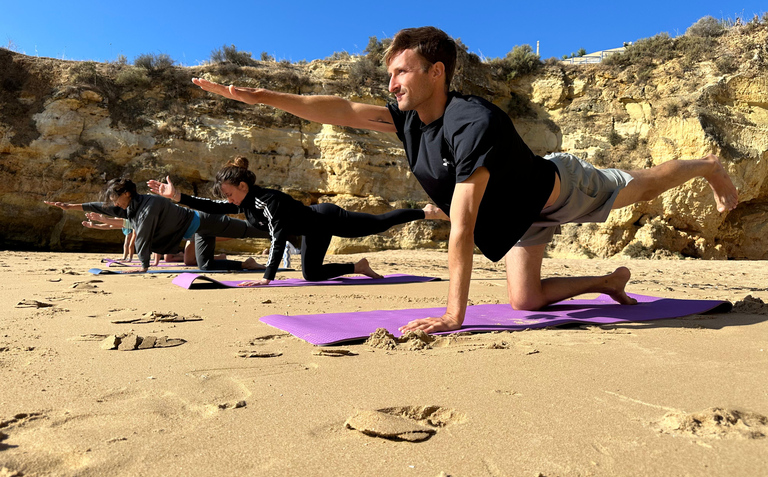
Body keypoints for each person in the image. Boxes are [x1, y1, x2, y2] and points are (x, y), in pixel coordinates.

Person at [189, 26, 739, 333]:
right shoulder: (405, 117)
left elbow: (463, 224)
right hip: (521, 223)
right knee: (525, 302)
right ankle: (607, 284)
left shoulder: (472, 122)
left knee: (638, 185)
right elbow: (337, 108)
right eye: (389, 75)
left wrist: (456, 315)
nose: (393, 83)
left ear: (436, 73)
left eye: (401, 72)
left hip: (560, 191)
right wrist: (260, 96)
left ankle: (706, 165)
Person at [148, 156, 444, 285]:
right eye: (226, 196)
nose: (228, 200)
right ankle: (359, 267)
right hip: (312, 231)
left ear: (242, 186)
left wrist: (267, 277)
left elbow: (278, 238)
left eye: (230, 193)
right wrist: (178, 198)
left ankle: (425, 212)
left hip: (326, 218)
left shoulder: (267, 201)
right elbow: (210, 205)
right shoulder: (244, 201)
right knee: (311, 275)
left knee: (377, 224)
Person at [45, 178, 269, 273]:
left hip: (207, 221)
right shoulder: (133, 206)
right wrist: (70, 206)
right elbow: (103, 207)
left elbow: (143, 235)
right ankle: (246, 263)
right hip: (198, 231)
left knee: (254, 230)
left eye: (115, 198)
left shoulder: (149, 205)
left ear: (126, 193)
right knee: (206, 267)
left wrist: (144, 264)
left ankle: (285, 228)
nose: (114, 203)